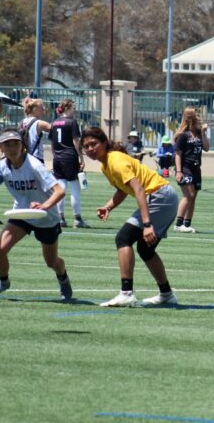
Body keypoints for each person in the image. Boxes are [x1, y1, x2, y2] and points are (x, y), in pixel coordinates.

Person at [0, 129, 73, 301]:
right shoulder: (1, 167)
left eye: (15, 143)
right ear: (0, 147)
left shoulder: (34, 165)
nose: (12, 148)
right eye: (7, 144)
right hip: (22, 214)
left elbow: (59, 191)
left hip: (46, 218)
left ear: (22, 145)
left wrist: (44, 206)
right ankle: (3, 282)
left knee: (51, 262)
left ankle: (63, 278)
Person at [81, 127, 178, 307]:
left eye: (93, 144)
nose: (90, 149)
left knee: (123, 238)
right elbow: (122, 189)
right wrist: (108, 207)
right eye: (86, 146)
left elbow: (139, 190)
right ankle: (167, 294)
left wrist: (147, 224)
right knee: (145, 249)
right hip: (163, 196)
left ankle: (126, 293)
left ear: (104, 143)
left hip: (159, 196)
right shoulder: (106, 164)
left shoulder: (115, 161)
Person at [49, 98, 89, 229]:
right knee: (75, 189)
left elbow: (52, 142)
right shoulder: (72, 122)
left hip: (58, 158)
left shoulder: (54, 123)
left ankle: (61, 218)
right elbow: (76, 141)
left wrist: (55, 156)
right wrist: (81, 157)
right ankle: (77, 219)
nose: (75, 109)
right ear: (66, 108)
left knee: (60, 189)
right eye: (73, 107)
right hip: (70, 157)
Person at [174, 107, 209, 233]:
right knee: (189, 195)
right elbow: (178, 154)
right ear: (191, 119)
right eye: (197, 117)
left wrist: (204, 133)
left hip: (196, 169)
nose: (200, 119)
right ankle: (178, 224)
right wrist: (178, 171)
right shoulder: (183, 136)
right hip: (185, 168)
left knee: (193, 197)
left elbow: (206, 148)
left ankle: (187, 224)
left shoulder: (199, 134)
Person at [20, 98, 51, 164]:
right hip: (36, 157)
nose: (43, 110)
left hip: (25, 155)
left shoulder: (22, 122)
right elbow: (55, 129)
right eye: (42, 108)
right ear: (35, 109)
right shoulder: (40, 123)